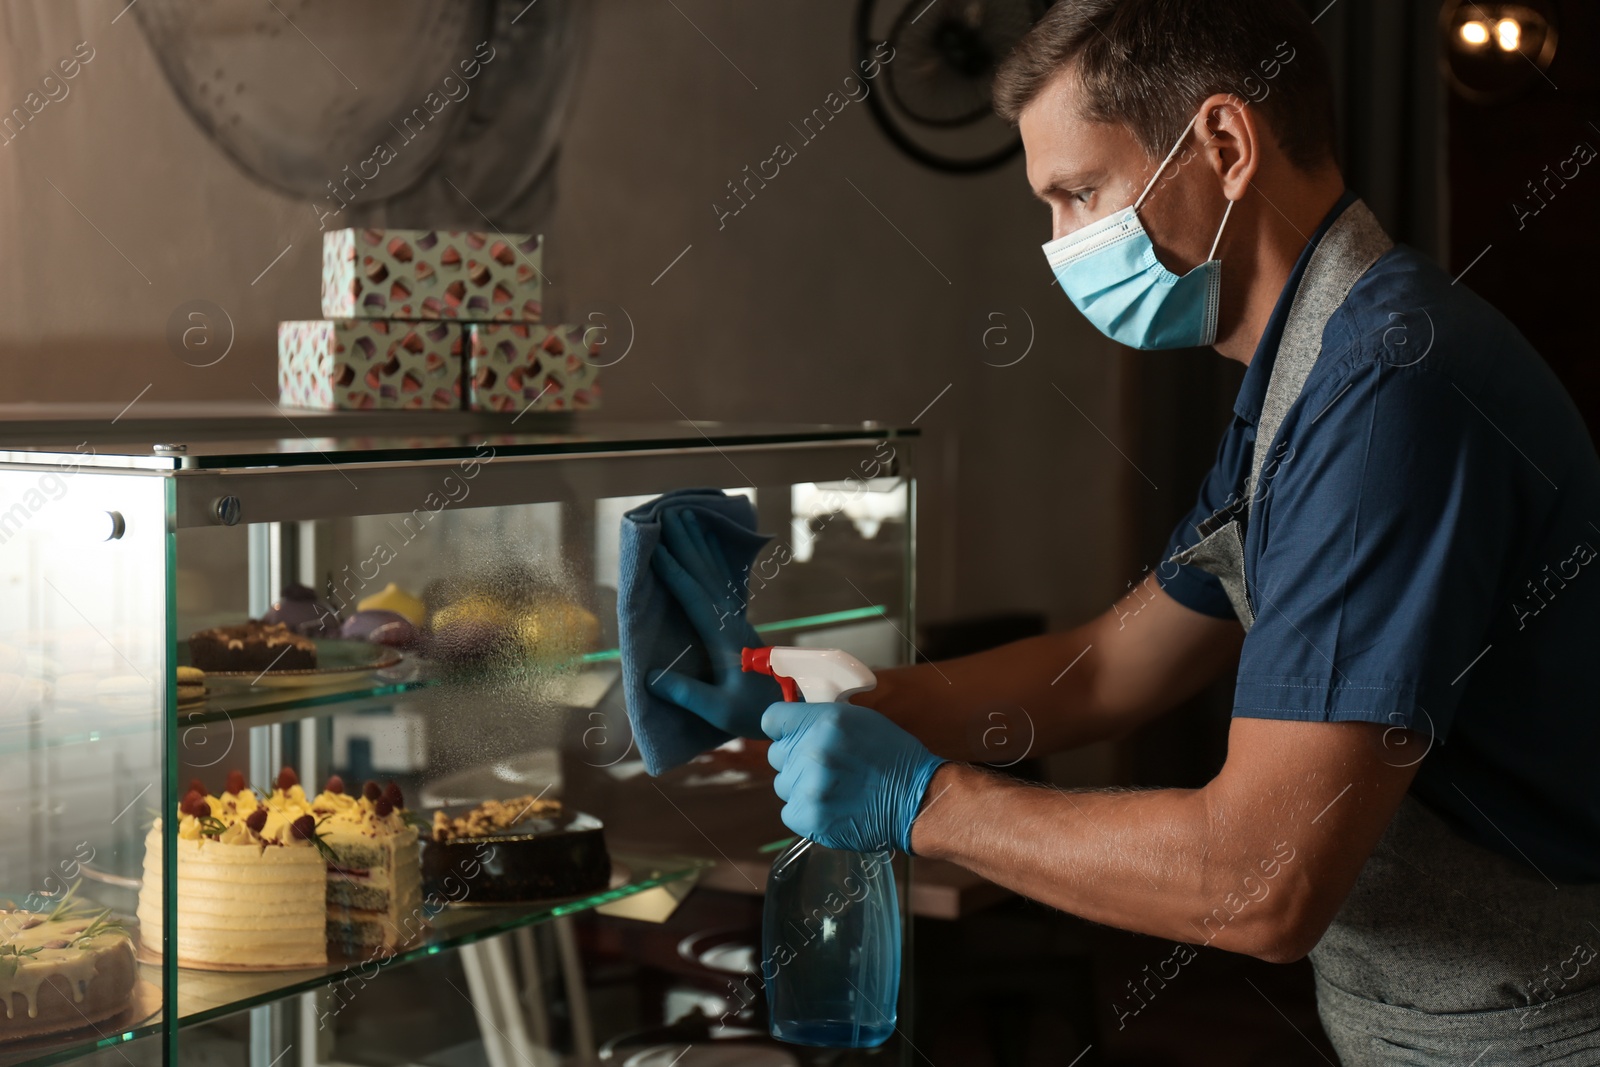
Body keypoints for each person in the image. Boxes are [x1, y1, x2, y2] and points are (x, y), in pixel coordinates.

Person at [646, 0, 1600, 1061]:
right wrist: (827, 691)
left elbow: (1260, 880)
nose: (1062, 247)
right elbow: (1106, 666)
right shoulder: (1304, 377)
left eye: (1078, 194)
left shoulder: (1389, 388)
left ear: (1224, 147)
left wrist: (924, 802)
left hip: (1533, 1022)